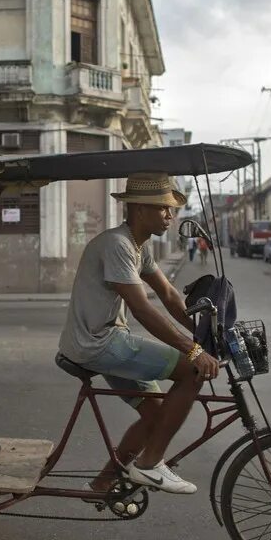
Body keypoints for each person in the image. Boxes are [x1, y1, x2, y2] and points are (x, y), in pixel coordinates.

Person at [58, 173, 219, 495]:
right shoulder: (117, 245)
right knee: (191, 372)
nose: (170, 217)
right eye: (164, 210)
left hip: (102, 340)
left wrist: (207, 333)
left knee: (155, 413)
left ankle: (104, 482)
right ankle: (149, 465)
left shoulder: (137, 246)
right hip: (98, 344)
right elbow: (144, 309)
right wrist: (193, 351)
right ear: (140, 209)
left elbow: (170, 296)